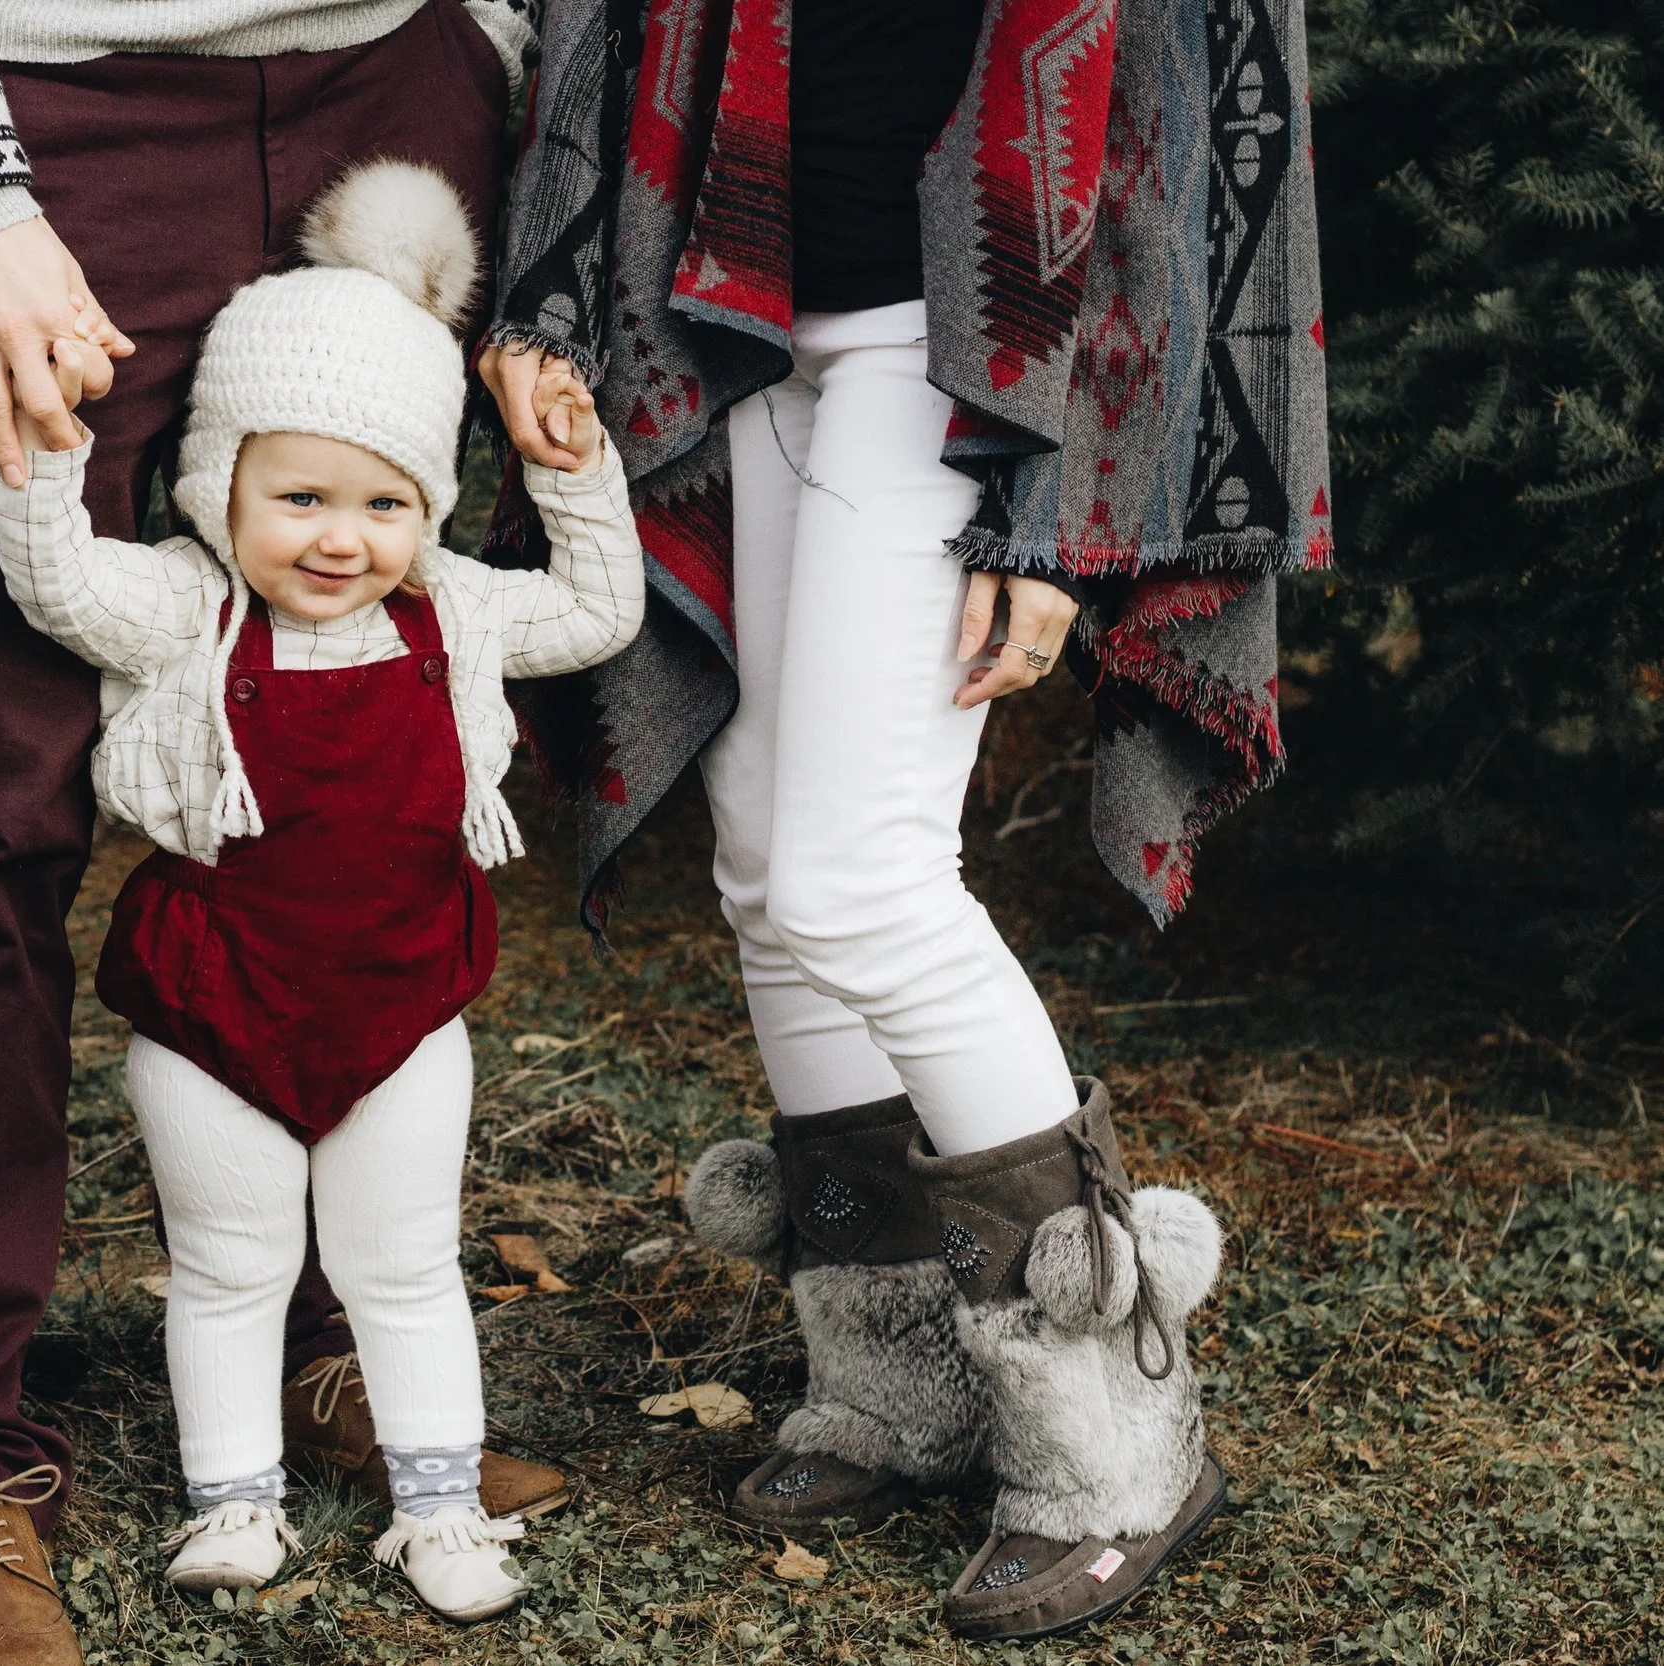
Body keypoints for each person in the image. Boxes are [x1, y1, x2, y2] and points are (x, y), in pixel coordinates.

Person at [485, 0, 1328, 1641]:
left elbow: (1169, 119)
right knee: (759, 866)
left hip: (960, 342)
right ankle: (894, 1371)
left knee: (856, 872)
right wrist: (553, 283)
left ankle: (1115, 1438)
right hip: (723, 295)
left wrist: (1053, 491)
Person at [0, 3, 568, 1661]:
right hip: (56, 113)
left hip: (398, 83)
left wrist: (501, 47)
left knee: (342, 746)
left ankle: (324, 1340)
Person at [0, 163, 641, 1621]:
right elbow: (52, 581)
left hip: (405, 1004)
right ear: (220, 486)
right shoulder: (181, 604)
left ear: (429, 506)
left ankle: (438, 1504)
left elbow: (600, 611)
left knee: (403, 1262)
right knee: (228, 1263)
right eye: (298, 495)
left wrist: (572, 468)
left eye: (384, 501)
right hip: (215, 1001)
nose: (340, 536)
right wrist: (41, 442)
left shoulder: (452, 612)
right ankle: (236, 1499)